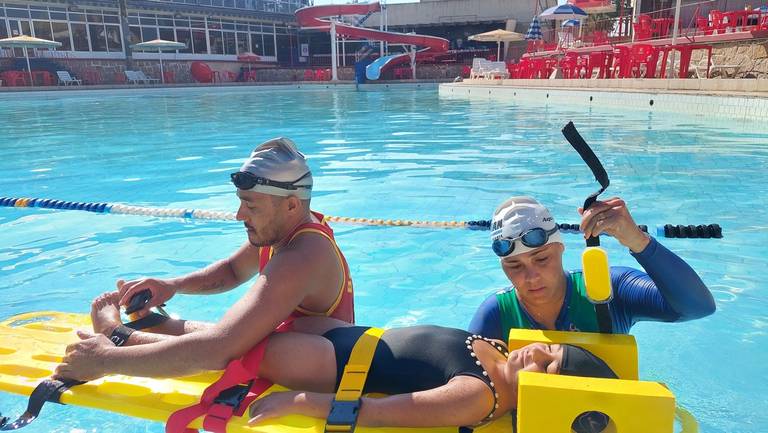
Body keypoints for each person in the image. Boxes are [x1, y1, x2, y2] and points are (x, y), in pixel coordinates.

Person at [58, 295, 616, 430]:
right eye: (551, 348)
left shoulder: (479, 396)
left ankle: (115, 346)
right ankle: (155, 325)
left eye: (549, 365)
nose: (538, 351)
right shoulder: (500, 350)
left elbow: (387, 411)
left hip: (332, 365)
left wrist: (297, 401)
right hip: (353, 336)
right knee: (228, 333)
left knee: (226, 353)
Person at [55, 137, 355, 379]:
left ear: (291, 205)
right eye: (240, 203)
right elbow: (233, 270)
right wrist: (173, 285)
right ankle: (137, 328)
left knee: (224, 342)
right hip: (290, 349)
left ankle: (116, 335)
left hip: (317, 371)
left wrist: (105, 361)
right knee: (226, 334)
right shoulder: (282, 230)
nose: (239, 215)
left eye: (251, 206)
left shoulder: (302, 255)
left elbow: (217, 351)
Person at [469, 196, 716, 341]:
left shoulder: (610, 290)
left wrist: (638, 241)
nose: (531, 277)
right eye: (514, 266)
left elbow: (698, 307)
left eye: (542, 259)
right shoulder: (496, 315)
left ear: (560, 249)